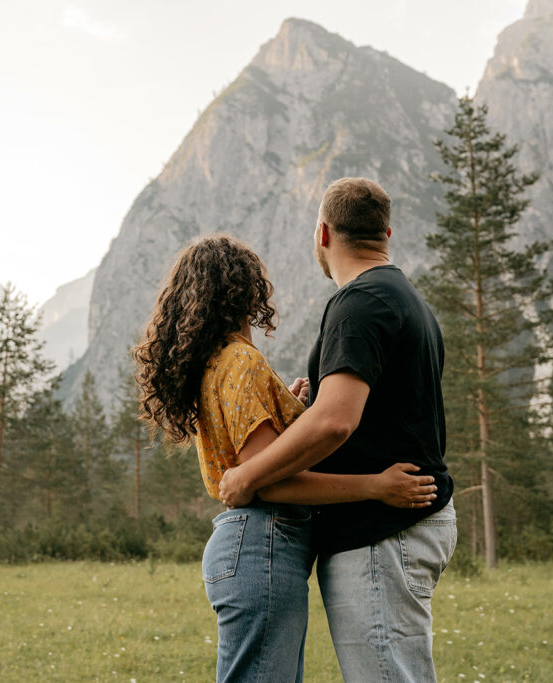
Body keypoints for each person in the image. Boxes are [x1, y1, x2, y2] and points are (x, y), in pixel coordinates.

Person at [132, 234, 438, 683]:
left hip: (250, 545)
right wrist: (375, 486)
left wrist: (286, 410)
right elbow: (270, 482)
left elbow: (260, 457)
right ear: (246, 289)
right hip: (263, 541)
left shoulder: (218, 364)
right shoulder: (242, 363)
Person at [219, 178, 456, 682]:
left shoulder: (361, 301)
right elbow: (361, 413)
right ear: (387, 232)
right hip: (394, 525)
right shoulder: (403, 297)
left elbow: (336, 422)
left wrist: (246, 477)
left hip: (382, 531)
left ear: (322, 234)